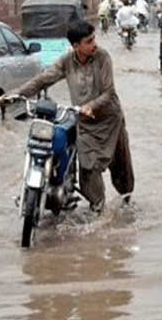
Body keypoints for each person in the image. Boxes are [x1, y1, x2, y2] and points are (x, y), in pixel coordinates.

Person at [11, 20, 134, 213]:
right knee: (87, 166)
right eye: (89, 41)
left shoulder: (103, 57)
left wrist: (90, 106)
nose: (94, 44)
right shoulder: (67, 61)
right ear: (76, 46)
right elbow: (44, 78)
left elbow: (109, 92)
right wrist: (18, 94)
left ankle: (127, 202)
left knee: (121, 167)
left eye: (94, 39)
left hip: (110, 120)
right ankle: (98, 208)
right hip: (85, 123)